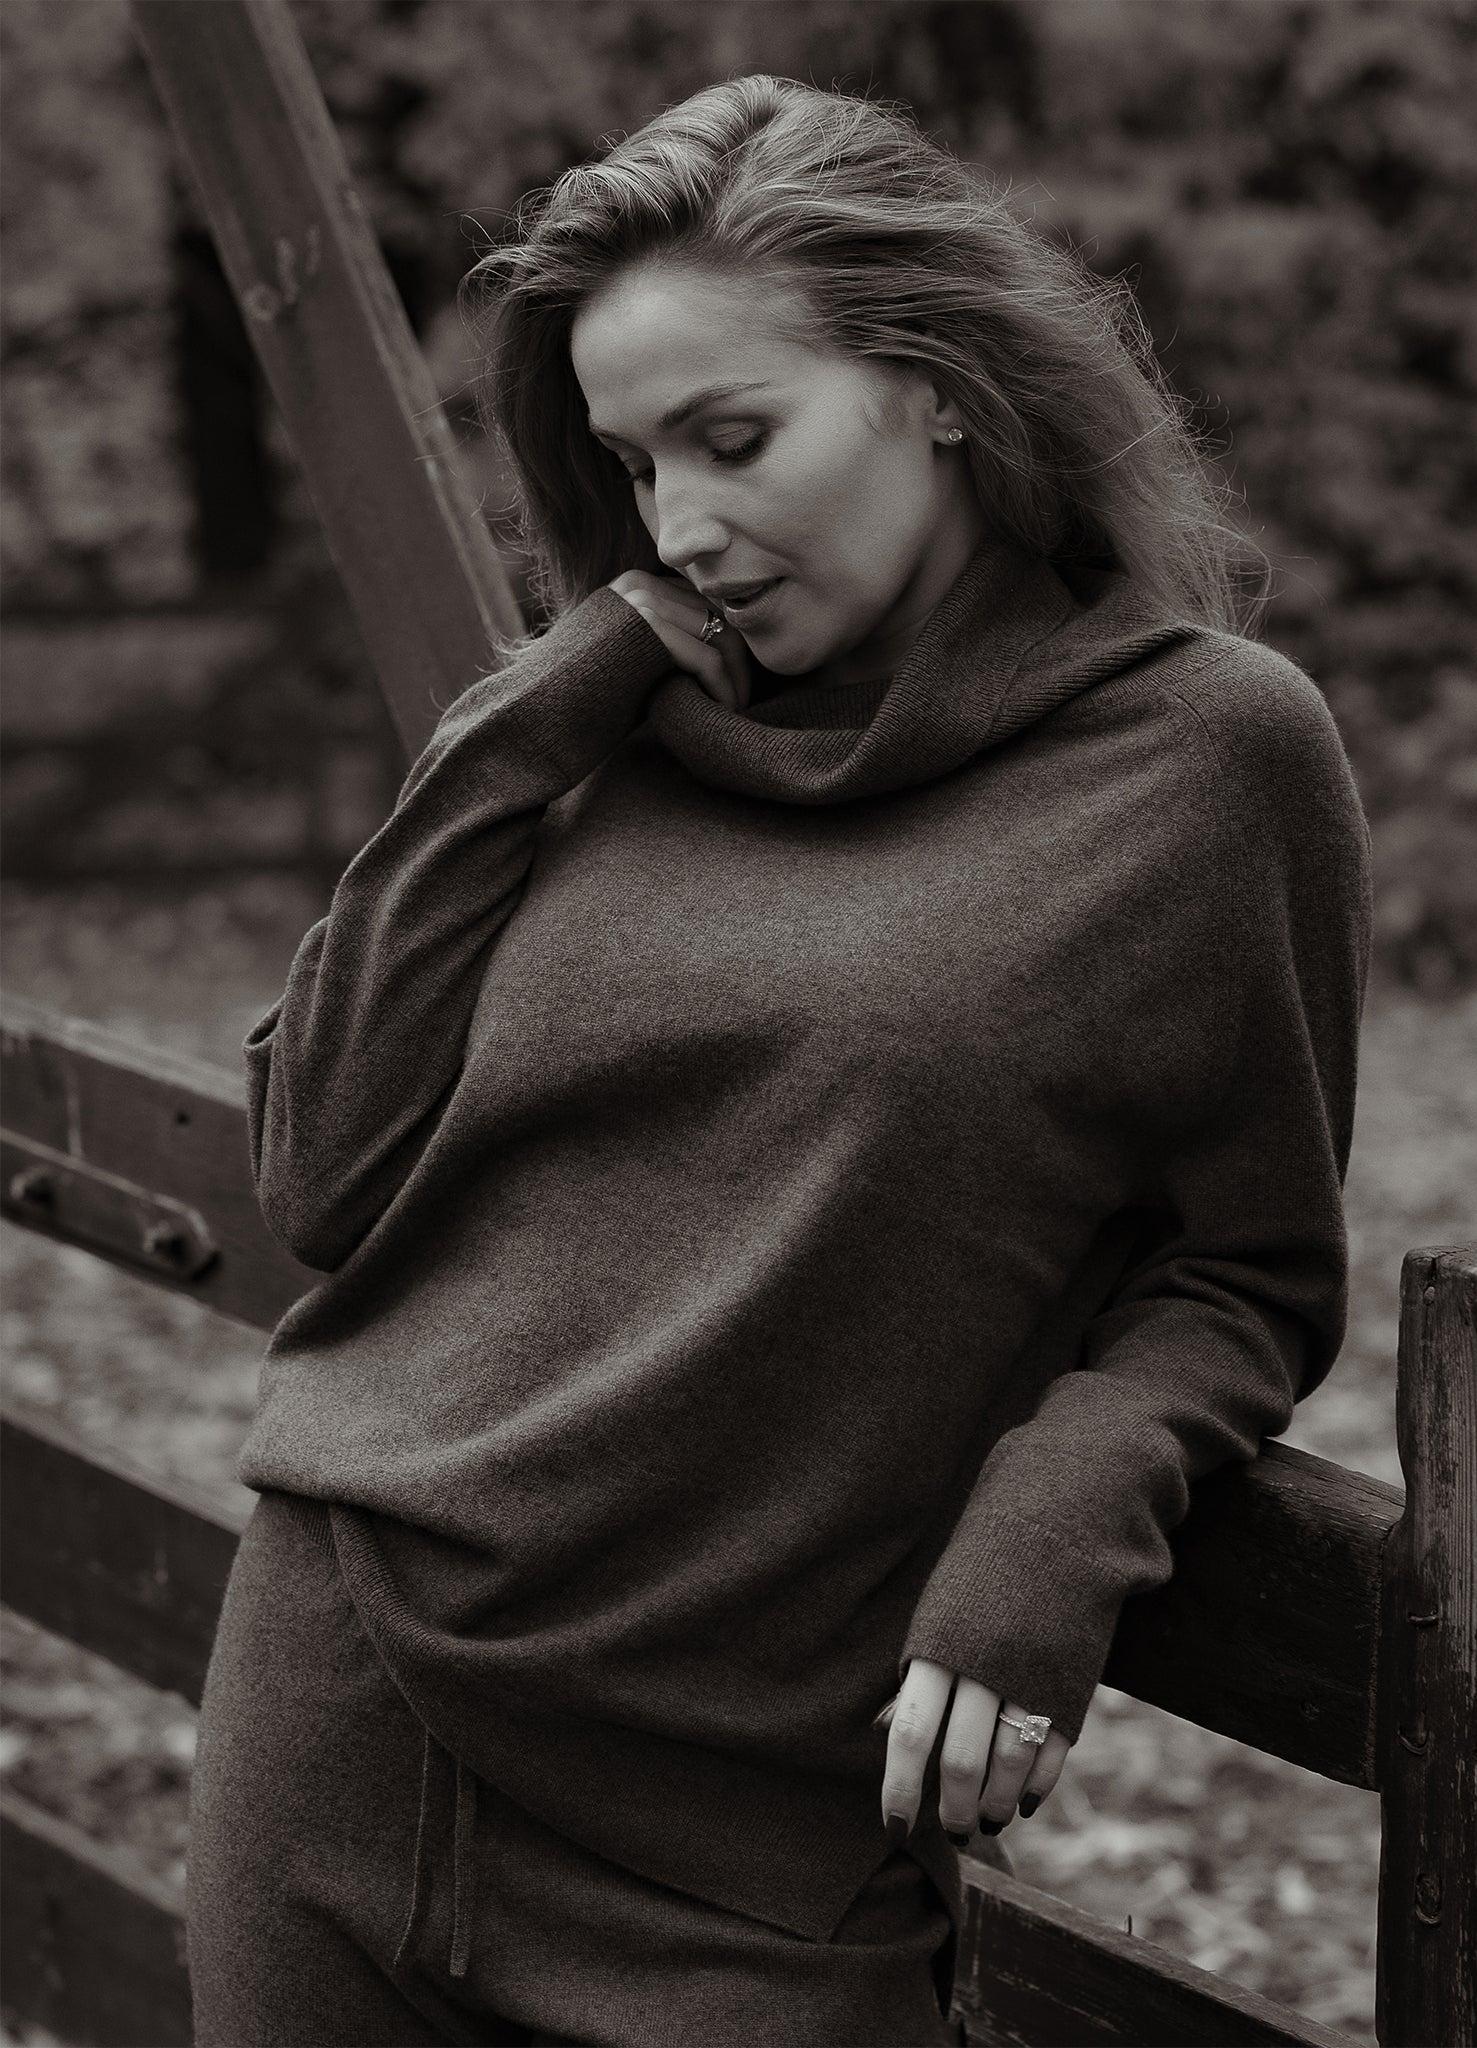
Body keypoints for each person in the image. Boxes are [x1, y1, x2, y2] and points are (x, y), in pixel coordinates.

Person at [184, 71, 1372, 2048]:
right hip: (349, 1711)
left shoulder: (1206, 763)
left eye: (735, 438)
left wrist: (1068, 1504)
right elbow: (317, 1178)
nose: (682, 527)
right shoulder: (604, 731)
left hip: (758, 1833)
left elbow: (1242, 1269)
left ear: (939, 380)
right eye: (635, 464)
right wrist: (531, 715)